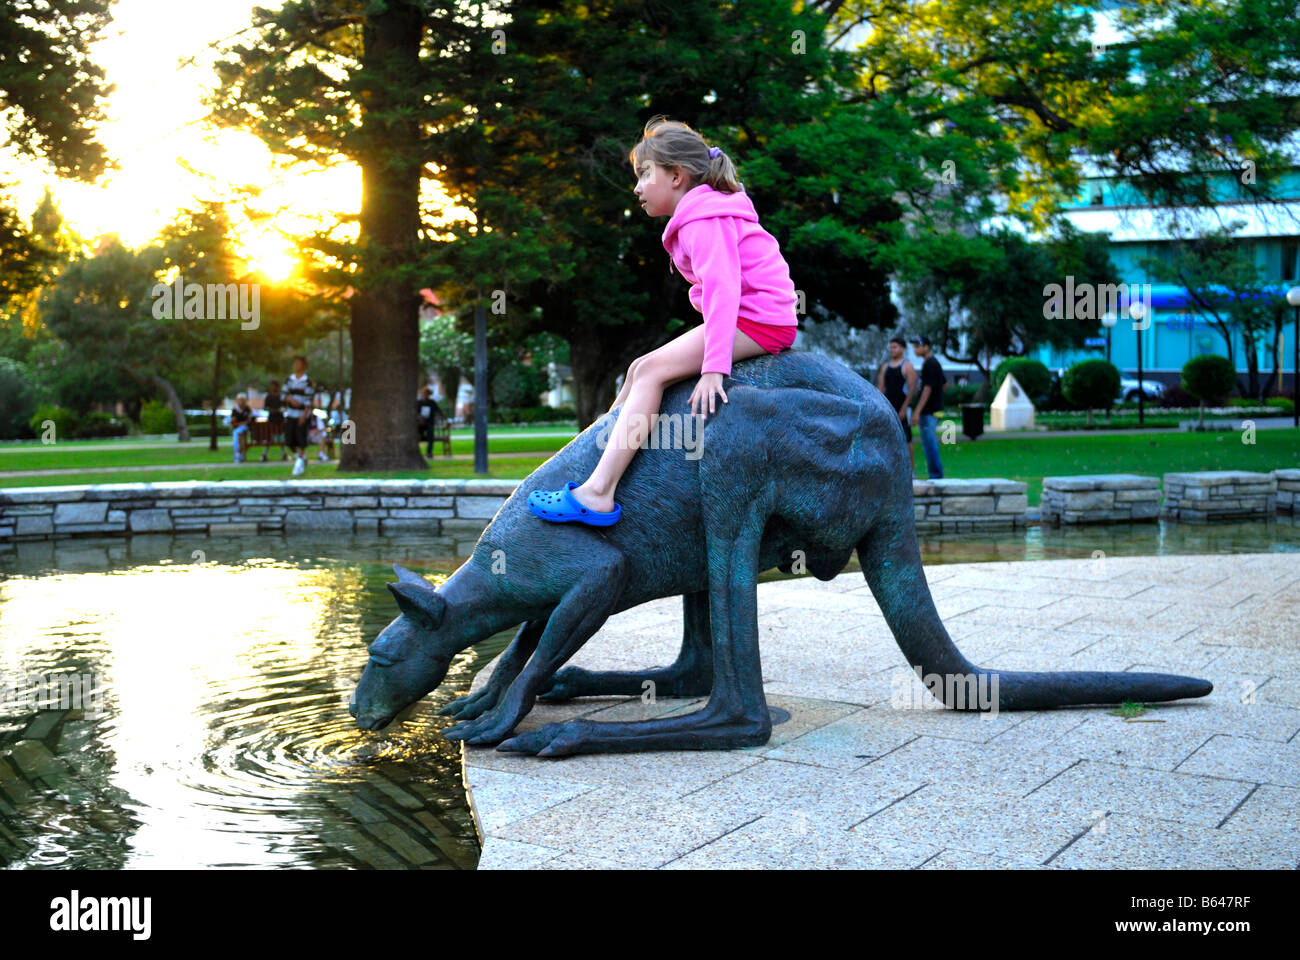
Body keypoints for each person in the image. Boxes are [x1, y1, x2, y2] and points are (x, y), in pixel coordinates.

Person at [527, 115, 799, 526]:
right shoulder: (703, 213)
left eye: (644, 174)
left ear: (676, 176)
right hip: (750, 314)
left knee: (651, 372)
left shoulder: (705, 219)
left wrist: (714, 369)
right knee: (638, 368)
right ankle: (600, 452)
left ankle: (598, 493)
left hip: (759, 320)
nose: (636, 187)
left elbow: (725, 290)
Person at [909, 335, 947, 479]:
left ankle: (936, 476)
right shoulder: (933, 363)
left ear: (927, 346)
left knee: (929, 444)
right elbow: (944, 384)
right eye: (914, 346)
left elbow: (927, 388)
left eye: (918, 346)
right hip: (935, 408)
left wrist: (917, 412)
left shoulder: (929, 364)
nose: (915, 349)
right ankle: (936, 474)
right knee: (930, 443)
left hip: (929, 411)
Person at [876, 336, 917, 459]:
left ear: (902, 349)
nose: (892, 350)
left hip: (902, 407)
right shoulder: (885, 367)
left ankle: (911, 472)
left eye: (895, 347)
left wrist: (904, 408)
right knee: (887, 438)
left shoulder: (907, 366)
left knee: (906, 440)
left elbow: (912, 389)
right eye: (891, 347)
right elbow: (881, 388)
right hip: (888, 406)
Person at [283, 355, 314, 476]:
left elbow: (309, 399)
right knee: (289, 440)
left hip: (301, 414)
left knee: (301, 439)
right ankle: (301, 458)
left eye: (298, 363)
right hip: (291, 413)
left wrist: (304, 414)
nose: (296, 365)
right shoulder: (289, 380)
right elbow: (283, 394)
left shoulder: (307, 382)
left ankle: (299, 463)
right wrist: (289, 399)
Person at [260, 379, 288, 462]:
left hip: (279, 419)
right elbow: (265, 407)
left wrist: (279, 410)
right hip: (271, 419)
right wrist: (270, 410)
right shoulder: (268, 397)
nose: (272, 388)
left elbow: (284, 407)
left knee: (281, 437)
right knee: (269, 437)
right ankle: (264, 454)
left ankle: (284, 454)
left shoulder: (281, 396)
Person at [417, 386, 444, 458]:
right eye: (423, 394)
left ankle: (429, 452)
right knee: (418, 435)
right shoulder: (419, 403)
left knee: (430, 435)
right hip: (420, 424)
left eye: (426, 394)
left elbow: (439, 410)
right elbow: (415, 413)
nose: (424, 395)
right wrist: (419, 418)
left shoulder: (432, 402)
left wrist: (445, 419)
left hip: (429, 423)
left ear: (429, 395)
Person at [229, 394, 253, 463]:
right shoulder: (235, 410)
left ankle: (238, 455)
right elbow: (233, 421)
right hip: (237, 429)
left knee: (239, 434)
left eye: (241, 400)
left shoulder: (247, 409)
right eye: (239, 400)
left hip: (245, 428)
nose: (240, 402)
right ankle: (240, 455)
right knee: (238, 436)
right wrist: (239, 423)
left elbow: (249, 421)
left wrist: (241, 423)